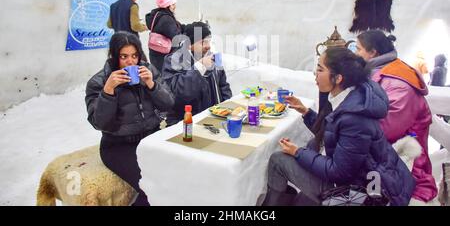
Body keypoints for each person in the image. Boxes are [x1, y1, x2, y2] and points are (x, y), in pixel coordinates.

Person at [262, 47, 415, 206]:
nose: (315, 74)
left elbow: (339, 172)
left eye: (320, 69)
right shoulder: (351, 95)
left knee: (278, 160)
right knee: (313, 144)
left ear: (338, 78)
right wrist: (306, 112)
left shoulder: (355, 117)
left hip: (360, 195)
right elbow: (333, 132)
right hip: (361, 178)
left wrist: (297, 152)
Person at [85, 31, 174, 206]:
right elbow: (99, 123)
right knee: (150, 186)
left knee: (174, 174)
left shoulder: (147, 70)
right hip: (119, 145)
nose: (130, 62)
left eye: (134, 56)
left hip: (152, 138)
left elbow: (168, 103)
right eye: (123, 56)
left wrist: (152, 85)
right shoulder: (99, 82)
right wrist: (108, 91)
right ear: (113, 56)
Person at [356, 30, 438, 204]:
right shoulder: (380, 70)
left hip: (405, 166)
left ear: (373, 53)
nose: (355, 54)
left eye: (358, 49)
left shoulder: (399, 84)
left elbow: (385, 129)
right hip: (384, 161)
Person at [162, 21, 232, 126]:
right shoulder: (174, 60)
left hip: (214, 118)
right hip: (186, 122)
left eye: (209, 41)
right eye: (203, 42)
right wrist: (199, 67)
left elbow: (223, 86)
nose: (208, 46)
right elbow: (178, 95)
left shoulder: (212, 57)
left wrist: (227, 108)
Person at [145, 0, 184, 72]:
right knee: (165, 80)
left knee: (158, 77)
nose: (175, 6)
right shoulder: (166, 19)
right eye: (173, 4)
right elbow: (176, 37)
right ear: (168, 5)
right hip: (165, 56)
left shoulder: (157, 14)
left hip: (155, 52)